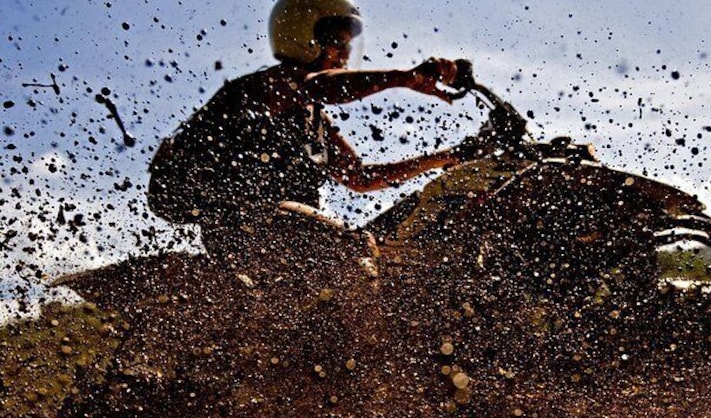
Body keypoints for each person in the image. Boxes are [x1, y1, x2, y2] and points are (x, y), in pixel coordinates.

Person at [147, 0, 472, 271]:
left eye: (347, 45)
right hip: (245, 231)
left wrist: (447, 159)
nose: (345, 55)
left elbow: (360, 178)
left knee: (399, 253)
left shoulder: (313, 117)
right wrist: (404, 78)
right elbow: (319, 84)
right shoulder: (266, 87)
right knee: (355, 251)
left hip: (288, 238)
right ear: (303, 37)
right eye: (337, 43)